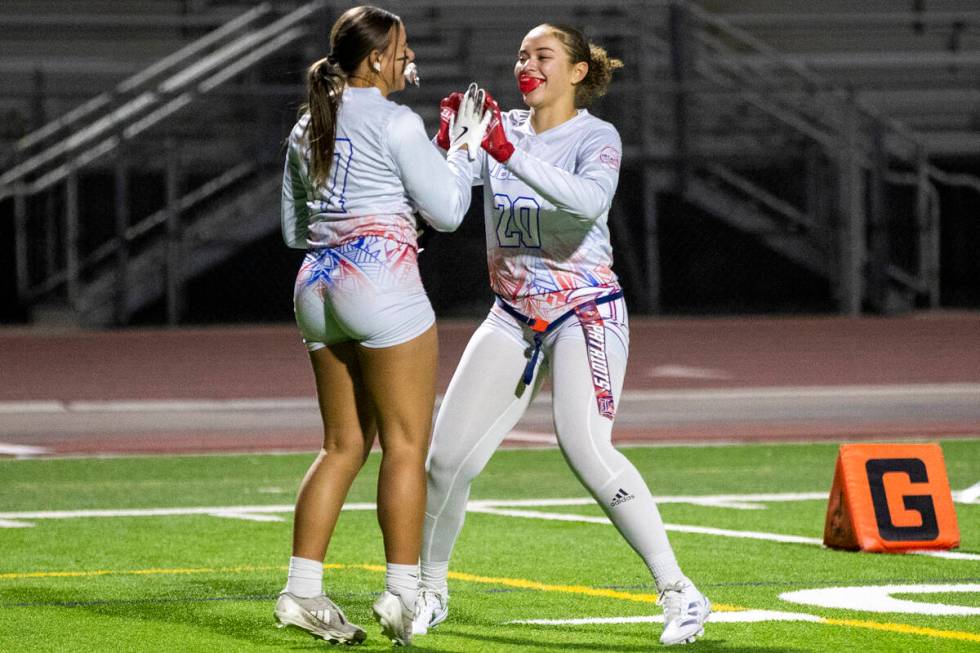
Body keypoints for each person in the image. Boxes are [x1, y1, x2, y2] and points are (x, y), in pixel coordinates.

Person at [413, 24, 711, 647]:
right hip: (512, 314)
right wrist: (441, 148)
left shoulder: (596, 135)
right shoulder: (506, 129)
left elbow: (588, 204)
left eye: (542, 55)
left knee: (585, 447)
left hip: (586, 312)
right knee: (443, 462)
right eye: (521, 54)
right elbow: (444, 205)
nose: (527, 63)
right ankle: (430, 590)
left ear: (576, 72)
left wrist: (502, 152)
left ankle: (680, 591)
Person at [272, 5, 487, 647]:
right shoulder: (395, 120)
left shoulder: (309, 121)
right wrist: (464, 149)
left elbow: (291, 231)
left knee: (342, 446)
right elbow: (448, 212)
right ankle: (401, 590)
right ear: (373, 60)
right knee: (405, 446)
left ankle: (301, 592)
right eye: (400, 49)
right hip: (381, 285)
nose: (408, 58)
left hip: (315, 286)